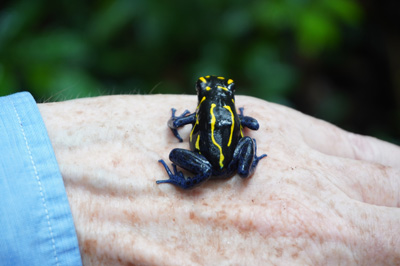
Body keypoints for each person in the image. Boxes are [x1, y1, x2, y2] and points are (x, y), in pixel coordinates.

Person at [1, 91, 399, 265]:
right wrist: (248, 145)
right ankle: (237, 167)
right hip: (229, 163)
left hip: (206, 164)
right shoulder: (234, 112)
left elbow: (176, 127)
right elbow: (255, 124)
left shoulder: (199, 109)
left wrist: (176, 123)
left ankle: (183, 180)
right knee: (236, 156)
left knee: (174, 154)